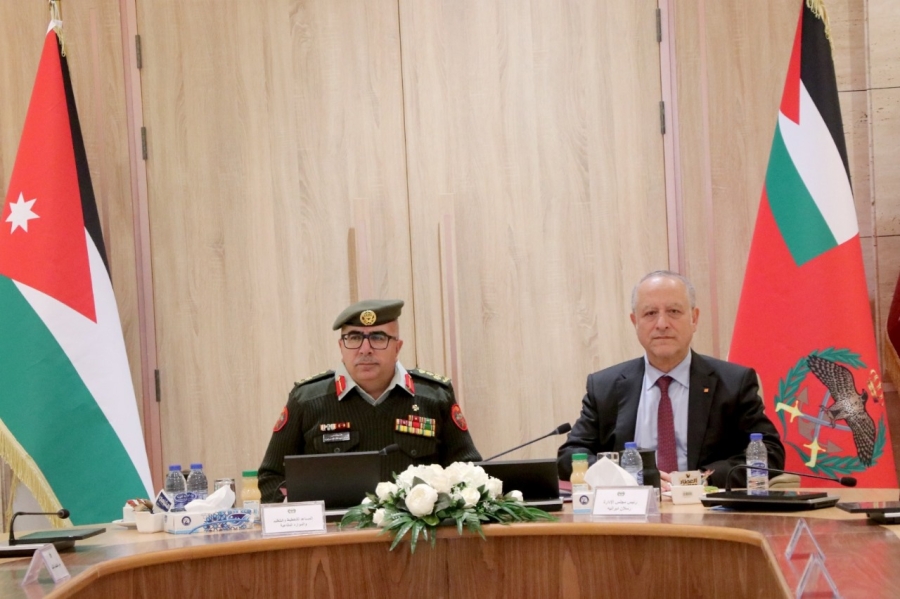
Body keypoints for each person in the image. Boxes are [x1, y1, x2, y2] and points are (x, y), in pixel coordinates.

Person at [557, 271, 784, 489]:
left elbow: (770, 452)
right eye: (650, 313)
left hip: (706, 508)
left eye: (674, 311)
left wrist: (702, 479)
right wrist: (624, 475)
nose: (662, 324)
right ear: (635, 322)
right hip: (630, 509)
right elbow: (570, 456)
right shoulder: (605, 387)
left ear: (694, 319)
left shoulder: (733, 383)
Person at [258, 299, 482, 502]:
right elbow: (272, 478)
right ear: (341, 346)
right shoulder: (307, 400)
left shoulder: (434, 397)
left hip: (417, 532)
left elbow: (470, 473)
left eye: (378, 337)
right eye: (354, 338)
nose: (365, 349)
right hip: (334, 533)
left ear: (397, 347)